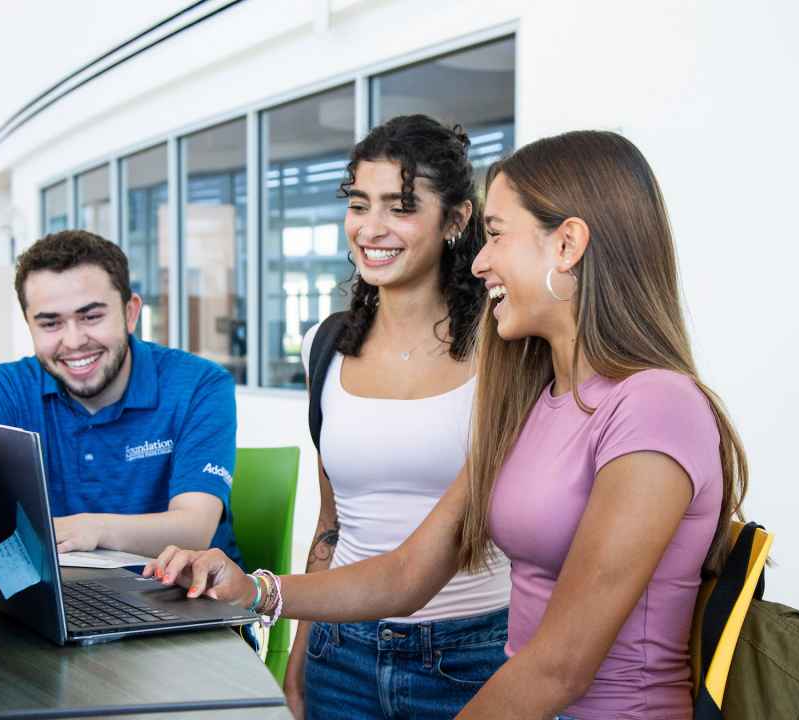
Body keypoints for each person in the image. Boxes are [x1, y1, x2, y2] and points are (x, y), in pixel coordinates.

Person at [148, 131, 749, 720]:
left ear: (566, 246)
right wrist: (256, 590)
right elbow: (409, 572)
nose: (481, 261)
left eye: (495, 235)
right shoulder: (538, 402)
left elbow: (561, 666)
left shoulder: (655, 406)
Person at [288, 115, 510, 720]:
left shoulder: (505, 347)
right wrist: (299, 657)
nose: (371, 229)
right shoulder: (325, 346)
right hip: (341, 653)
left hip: (472, 655)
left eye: (401, 207)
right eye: (360, 205)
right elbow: (330, 526)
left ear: (457, 220)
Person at [0, 230, 242, 565]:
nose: (73, 341)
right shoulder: (8, 390)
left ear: (131, 313)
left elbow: (194, 528)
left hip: (181, 601)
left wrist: (92, 529)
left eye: (91, 316)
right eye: (50, 323)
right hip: (61, 600)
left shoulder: (199, 384)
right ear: (30, 326)